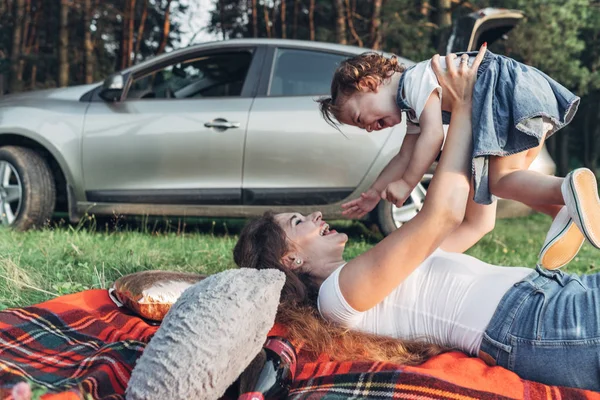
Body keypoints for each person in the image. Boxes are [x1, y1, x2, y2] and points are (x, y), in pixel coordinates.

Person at [234, 47, 600, 391]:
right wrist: (464, 106)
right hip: (535, 322)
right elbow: (442, 215)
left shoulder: (381, 265)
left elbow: (475, 223)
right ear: (290, 259)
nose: (315, 216)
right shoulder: (337, 297)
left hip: (553, 294)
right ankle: (566, 197)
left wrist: (480, 135)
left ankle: (567, 203)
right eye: (299, 222)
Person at [317, 43, 596, 263]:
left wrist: (407, 183)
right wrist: (375, 192)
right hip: (520, 95)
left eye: (357, 117)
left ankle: (569, 188)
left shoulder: (414, 81)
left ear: (368, 84)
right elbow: (404, 156)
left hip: (503, 97)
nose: (366, 127)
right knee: (517, 186)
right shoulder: (412, 103)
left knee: (502, 180)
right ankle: (569, 213)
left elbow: (434, 136)